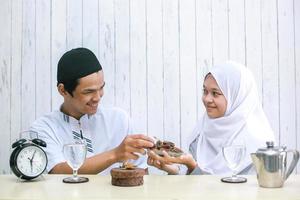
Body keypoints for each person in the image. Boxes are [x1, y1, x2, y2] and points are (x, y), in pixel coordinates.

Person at [30, 47, 154, 175]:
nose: (97, 97)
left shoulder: (119, 120)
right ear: (63, 90)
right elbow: (58, 171)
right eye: (88, 92)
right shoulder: (44, 128)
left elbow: (141, 173)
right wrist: (115, 154)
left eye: (101, 88)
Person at [147, 61, 275, 175]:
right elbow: (194, 189)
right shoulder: (201, 134)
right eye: (205, 91)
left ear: (236, 97)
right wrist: (175, 170)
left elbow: (243, 190)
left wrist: (192, 165)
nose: (207, 99)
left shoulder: (258, 146)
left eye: (215, 93)